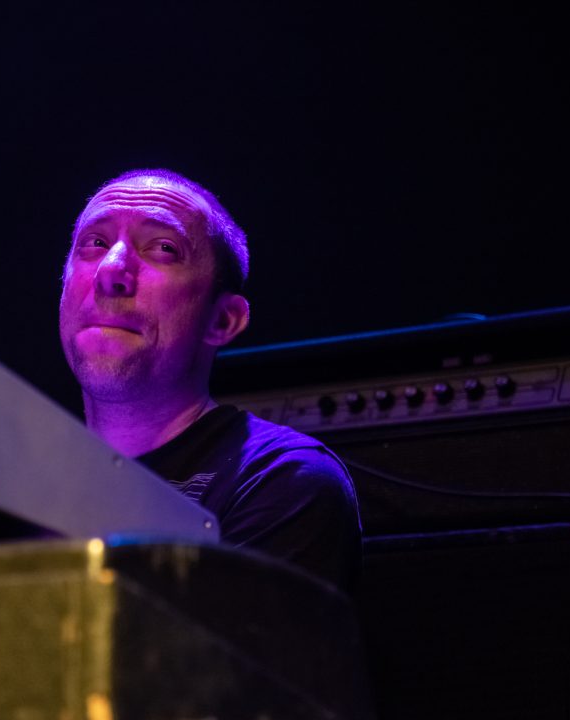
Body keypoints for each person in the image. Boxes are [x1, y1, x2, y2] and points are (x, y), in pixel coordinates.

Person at [59, 168, 360, 592]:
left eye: (163, 249)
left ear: (223, 320)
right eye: (95, 243)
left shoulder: (281, 480)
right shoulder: (3, 475)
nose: (112, 270)